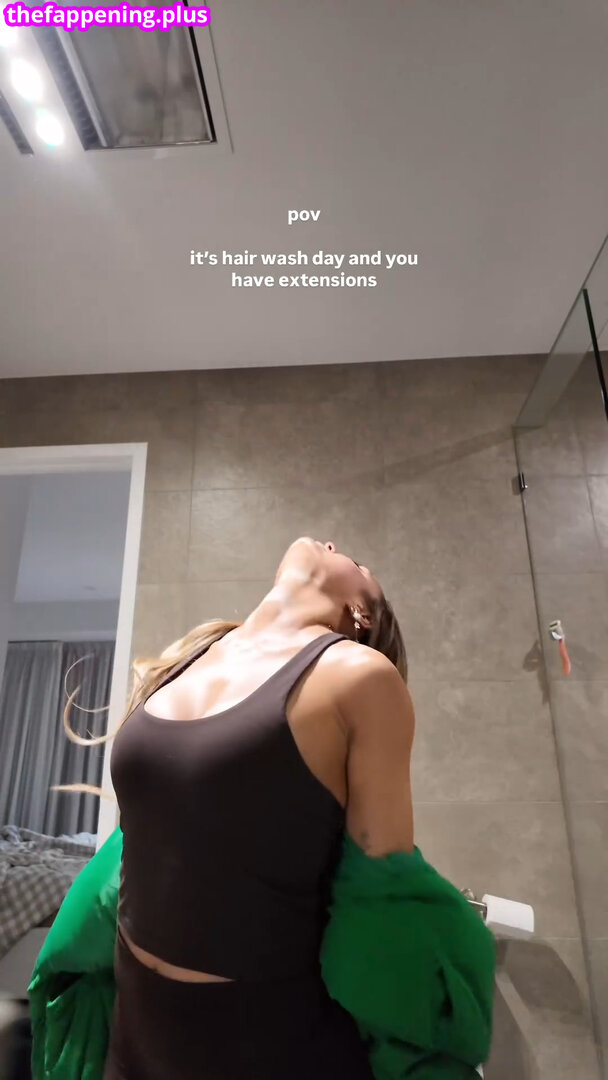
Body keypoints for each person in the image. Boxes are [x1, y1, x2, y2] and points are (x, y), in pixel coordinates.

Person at [64, 536, 415, 1080]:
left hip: (263, 1046)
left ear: (360, 613)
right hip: (133, 1034)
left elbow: (385, 896)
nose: (331, 543)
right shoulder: (192, 656)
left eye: (356, 562)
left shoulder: (360, 674)